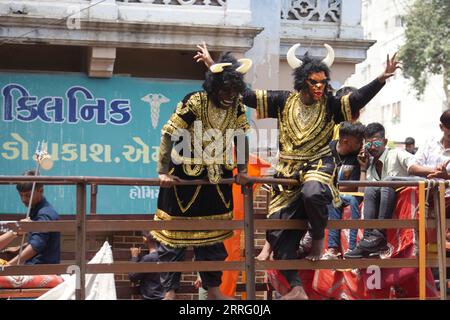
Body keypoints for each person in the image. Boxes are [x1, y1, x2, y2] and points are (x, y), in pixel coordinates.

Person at [195, 43, 400, 299]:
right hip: (287, 172)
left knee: (313, 191)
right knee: (277, 234)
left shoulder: (331, 105)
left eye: (323, 82)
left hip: (318, 165)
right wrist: (212, 66)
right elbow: (245, 95)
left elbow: (357, 98)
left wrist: (380, 79)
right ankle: (297, 290)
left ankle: (317, 239)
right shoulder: (283, 100)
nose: (320, 87)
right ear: (302, 81)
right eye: (314, 82)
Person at [152, 52, 251, 300]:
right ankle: (170, 294)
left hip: (216, 184)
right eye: (226, 90)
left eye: (234, 90)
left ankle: (214, 291)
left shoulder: (238, 106)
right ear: (215, 86)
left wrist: (243, 170)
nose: (230, 96)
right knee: (173, 242)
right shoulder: (194, 101)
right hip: (183, 181)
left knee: (213, 242)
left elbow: (241, 137)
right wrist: (162, 171)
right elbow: (169, 133)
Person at [344, 123, 414, 259]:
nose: (373, 147)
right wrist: (363, 168)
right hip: (380, 206)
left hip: (402, 203)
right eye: (368, 144)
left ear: (385, 141)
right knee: (370, 189)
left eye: (376, 142)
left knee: (387, 184)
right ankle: (369, 238)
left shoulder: (397, 154)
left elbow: (414, 165)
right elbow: (362, 193)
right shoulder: (369, 166)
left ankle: (378, 234)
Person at [322, 121, 366, 260]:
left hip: (344, 195)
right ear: (346, 141)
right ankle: (332, 249)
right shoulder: (326, 150)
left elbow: (355, 187)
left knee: (349, 199)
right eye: (359, 141)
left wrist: (363, 167)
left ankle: (351, 249)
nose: (362, 144)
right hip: (323, 192)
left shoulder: (357, 157)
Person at [4, 170, 60, 266]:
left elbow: (36, 245)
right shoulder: (35, 208)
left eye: (28, 195)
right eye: (21, 195)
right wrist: (19, 248)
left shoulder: (44, 214)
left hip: (40, 270)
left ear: (41, 191)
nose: (23, 199)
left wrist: (9, 265)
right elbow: (41, 241)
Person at [128, 231, 164, 300]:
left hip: (151, 298)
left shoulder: (148, 258)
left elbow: (133, 276)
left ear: (144, 239)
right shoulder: (167, 257)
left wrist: (134, 257)